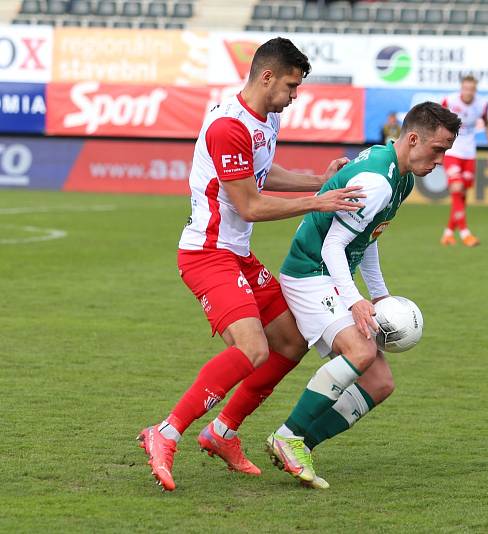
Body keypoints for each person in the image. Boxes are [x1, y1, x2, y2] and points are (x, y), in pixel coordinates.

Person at [137, 37, 366, 492]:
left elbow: (261, 172)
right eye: (291, 85)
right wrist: (318, 201)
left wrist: (316, 178)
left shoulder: (266, 118)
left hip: (236, 254)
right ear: (266, 77)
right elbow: (250, 205)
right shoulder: (228, 126)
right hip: (207, 254)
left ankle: (220, 432)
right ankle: (164, 433)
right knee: (253, 348)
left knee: (290, 341)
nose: (294, 95)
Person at [264, 102, 461, 488]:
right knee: (361, 351)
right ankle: (288, 436)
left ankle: (298, 443)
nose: (441, 160)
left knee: (380, 382)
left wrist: (381, 294)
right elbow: (333, 246)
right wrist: (355, 299)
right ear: (414, 139)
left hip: (330, 274)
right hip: (310, 273)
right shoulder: (379, 181)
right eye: (437, 150)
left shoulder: (401, 176)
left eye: (446, 152)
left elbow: (367, 237)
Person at [440, 75, 488, 247]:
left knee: (461, 194)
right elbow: (437, 123)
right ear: (461, 88)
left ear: (475, 90)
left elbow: (487, 124)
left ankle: (448, 233)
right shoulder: (449, 101)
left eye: (471, 89)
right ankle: (465, 233)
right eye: (465, 88)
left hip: (469, 153)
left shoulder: (482, 104)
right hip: (452, 151)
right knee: (456, 187)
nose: (468, 92)